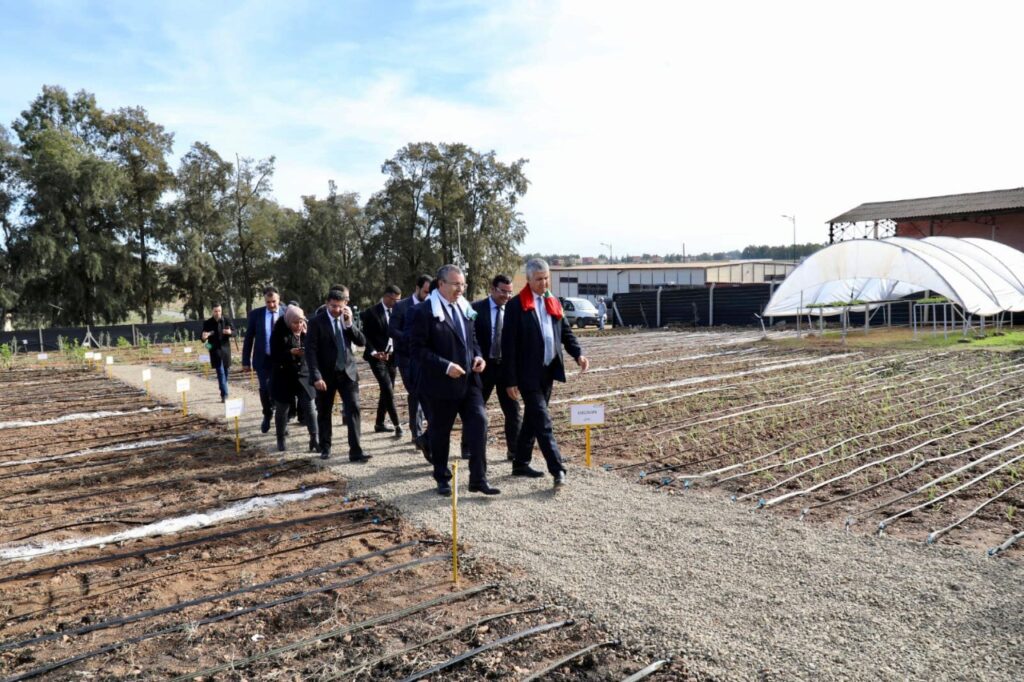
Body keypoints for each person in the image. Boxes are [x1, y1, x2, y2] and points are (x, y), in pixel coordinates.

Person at [409, 264, 498, 497]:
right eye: (456, 284)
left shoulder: (465, 306)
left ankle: (478, 478)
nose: (461, 289)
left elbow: (473, 339)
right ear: (441, 284)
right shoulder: (424, 311)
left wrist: (478, 356)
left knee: (480, 423)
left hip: (470, 382)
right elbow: (417, 349)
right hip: (440, 385)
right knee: (440, 432)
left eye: (463, 284)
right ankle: (441, 476)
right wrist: (445, 366)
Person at [502, 258, 590, 487]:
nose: (544, 283)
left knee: (532, 418)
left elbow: (565, 332)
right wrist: (510, 380)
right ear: (529, 280)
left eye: (546, 278)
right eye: (539, 279)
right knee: (543, 420)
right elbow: (508, 346)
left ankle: (520, 462)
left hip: (548, 371)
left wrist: (578, 354)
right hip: (527, 374)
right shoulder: (516, 306)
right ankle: (557, 469)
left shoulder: (553, 301)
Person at [461, 274, 521, 461]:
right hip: (483, 367)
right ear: (493, 289)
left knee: (513, 410)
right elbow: (468, 338)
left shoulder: (513, 310)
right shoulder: (475, 308)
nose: (507, 296)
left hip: (506, 369)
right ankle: (467, 447)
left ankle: (514, 450)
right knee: (476, 409)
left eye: (510, 292)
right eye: (503, 291)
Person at [306, 287, 369, 462]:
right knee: (324, 411)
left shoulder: (346, 319)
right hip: (326, 376)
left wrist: (349, 324)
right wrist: (316, 376)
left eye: (340, 307)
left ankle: (356, 450)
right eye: (333, 306)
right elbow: (310, 352)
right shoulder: (316, 323)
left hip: (348, 373)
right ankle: (325, 446)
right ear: (327, 304)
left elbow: (361, 341)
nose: (337, 310)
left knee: (354, 409)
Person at [389, 274, 432, 455]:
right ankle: (417, 434)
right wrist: (409, 338)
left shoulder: (432, 305)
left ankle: (423, 434)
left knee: (424, 394)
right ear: (417, 288)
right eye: (425, 291)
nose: (428, 295)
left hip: (425, 358)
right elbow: (392, 329)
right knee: (415, 393)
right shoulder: (401, 306)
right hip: (406, 358)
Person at [270, 305, 318, 453]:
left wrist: (306, 339)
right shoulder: (279, 332)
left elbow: (315, 350)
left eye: (301, 322)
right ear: (289, 321)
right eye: (295, 323)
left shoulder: (307, 331)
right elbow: (275, 355)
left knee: (309, 406)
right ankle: (280, 438)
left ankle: (314, 438)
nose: (298, 326)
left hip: (303, 374)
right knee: (282, 409)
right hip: (283, 375)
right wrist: (290, 352)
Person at [361, 284, 403, 437]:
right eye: (394, 300)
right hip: (376, 357)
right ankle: (398, 425)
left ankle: (379, 423)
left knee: (387, 389)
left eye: (399, 300)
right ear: (386, 297)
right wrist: (374, 353)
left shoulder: (398, 312)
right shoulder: (371, 313)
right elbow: (365, 337)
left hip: (391, 357)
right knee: (388, 389)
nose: (396, 303)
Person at [242, 286, 282, 433]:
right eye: (268, 302)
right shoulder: (256, 315)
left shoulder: (286, 313)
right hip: (262, 359)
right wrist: (245, 361)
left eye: (274, 301)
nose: (271, 305)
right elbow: (248, 338)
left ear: (279, 299)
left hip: (282, 360)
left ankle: (282, 421)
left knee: (280, 390)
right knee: (265, 388)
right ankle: (267, 414)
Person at [201, 304, 233, 402]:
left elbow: (235, 332)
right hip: (215, 351)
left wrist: (230, 332)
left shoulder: (226, 320)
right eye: (215, 311)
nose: (217, 313)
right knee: (220, 373)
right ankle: (224, 395)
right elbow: (202, 338)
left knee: (226, 373)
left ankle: (223, 389)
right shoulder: (208, 323)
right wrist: (204, 337)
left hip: (226, 351)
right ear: (212, 311)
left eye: (219, 311)